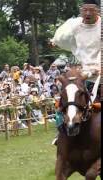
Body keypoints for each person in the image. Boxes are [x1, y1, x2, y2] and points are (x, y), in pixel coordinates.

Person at [50, 0, 101, 145]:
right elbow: (62, 38)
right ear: (81, 10)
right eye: (85, 10)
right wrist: (54, 41)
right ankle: (62, 134)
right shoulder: (75, 26)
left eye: (91, 10)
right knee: (66, 100)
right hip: (86, 74)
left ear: (97, 10)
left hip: (101, 72)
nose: (88, 13)